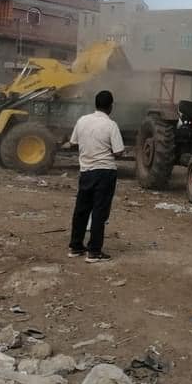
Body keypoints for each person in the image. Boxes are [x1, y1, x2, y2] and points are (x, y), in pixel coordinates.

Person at [68, 90, 125, 262]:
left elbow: (72, 143)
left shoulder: (82, 121)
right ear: (111, 106)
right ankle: (94, 251)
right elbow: (119, 152)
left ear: (96, 104)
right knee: (99, 212)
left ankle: (76, 247)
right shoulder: (111, 125)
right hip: (105, 172)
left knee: (81, 210)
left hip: (86, 171)